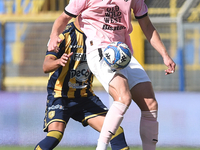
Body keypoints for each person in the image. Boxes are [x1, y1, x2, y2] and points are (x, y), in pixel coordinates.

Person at [47, 0, 176, 150]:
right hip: (99, 50)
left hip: (123, 52)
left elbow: (146, 25)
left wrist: (165, 55)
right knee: (123, 97)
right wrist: (54, 36)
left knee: (150, 104)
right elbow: (63, 18)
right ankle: (100, 148)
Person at [34, 18, 130, 150]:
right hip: (60, 96)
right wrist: (59, 61)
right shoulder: (64, 35)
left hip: (85, 97)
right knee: (55, 135)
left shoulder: (100, 35)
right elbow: (46, 66)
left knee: (115, 131)